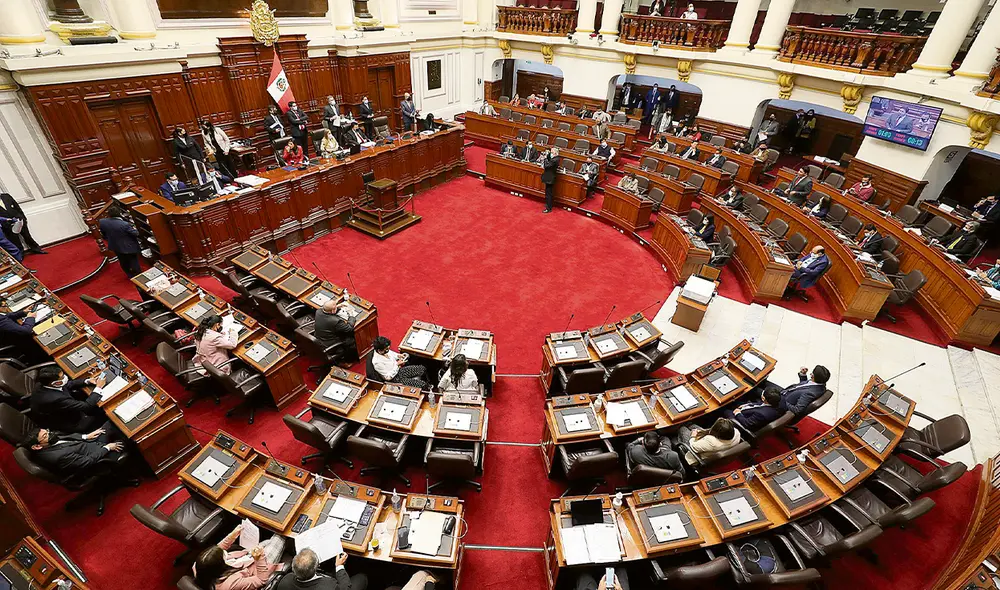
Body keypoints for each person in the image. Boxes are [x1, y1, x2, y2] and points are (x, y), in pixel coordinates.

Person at [194, 524, 285, 590]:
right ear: (220, 566)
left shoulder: (200, 567)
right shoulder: (230, 585)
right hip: (259, 569)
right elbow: (261, 580)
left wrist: (232, 536)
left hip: (247, 558)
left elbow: (218, 550)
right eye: (224, 556)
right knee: (281, 535)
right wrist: (259, 558)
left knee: (268, 541)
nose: (225, 553)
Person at [30, 365, 106, 434]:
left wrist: (87, 381)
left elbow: (67, 385)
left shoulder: (42, 384)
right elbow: (86, 406)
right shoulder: (56, 399)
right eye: (62, 377)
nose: (65, 377)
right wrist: (98, 387)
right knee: (103, 412)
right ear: (56, 383)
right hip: (72, 422)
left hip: (64, 410)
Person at [21, 425, 124, 475]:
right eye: (45, 435)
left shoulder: (48, 441)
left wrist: (86, 436)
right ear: (37, 446)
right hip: (100, 458)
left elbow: (67, 436)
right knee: (128, 436)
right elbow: (87, 461)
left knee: (112, 423)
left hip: (88, 443)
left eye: (47, 431)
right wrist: (107, 448)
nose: (50, 434)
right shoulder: (57, 456)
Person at [275, 549, 366, 590]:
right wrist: (339, 566)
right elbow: (345, 588)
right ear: (317, 566)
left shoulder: (285, 581)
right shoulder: (330, 586)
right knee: (362, 578)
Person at [673, 418, 741, 466]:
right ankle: (688, 424)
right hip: (711, 448)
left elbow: (693, 446)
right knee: (692, 426)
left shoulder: (712, 442)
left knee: (683, 429)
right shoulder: (736, 432)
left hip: (694, 452)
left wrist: (693, 436)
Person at [99, 205, 142, 279]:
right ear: (119, 214)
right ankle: (138, 277)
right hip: (129, 247)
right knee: (133, 261)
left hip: (115, 246)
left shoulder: (102, 221)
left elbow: (103, 234)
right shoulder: (124, 224)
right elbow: (136, 233)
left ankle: (129, 275)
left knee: (123, 261)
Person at [541, 148, 560, 213]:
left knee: (548, 194)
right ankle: (549, 205)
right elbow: (550, 159)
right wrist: (548, 154)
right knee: (549, 193)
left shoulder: (555, 160)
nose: (551, 153)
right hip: (550, 178)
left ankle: (548, 208)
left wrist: (545, 158)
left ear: (555, 153)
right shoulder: (556, 158)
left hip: (550, 178)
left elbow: (546, 166)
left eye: (552, 152)